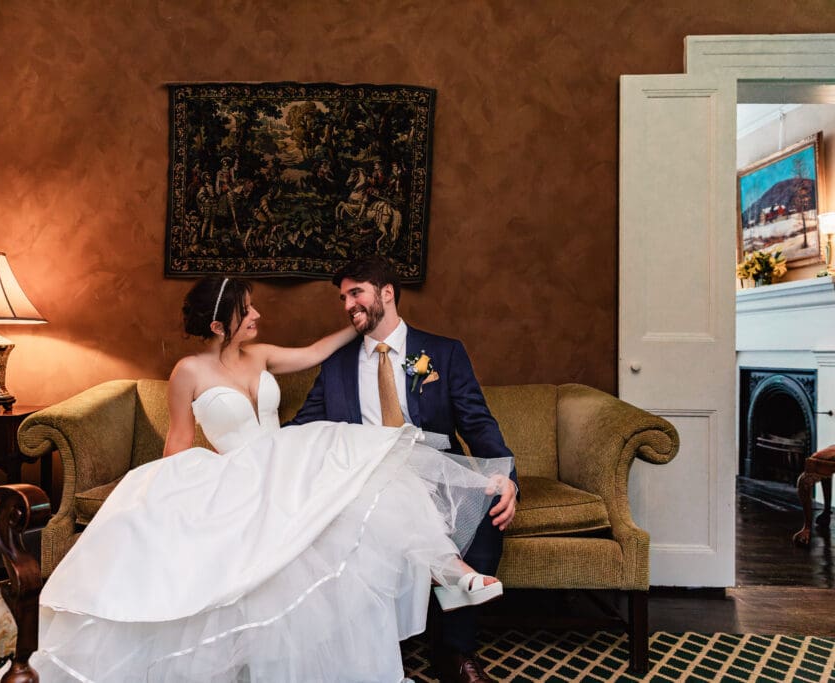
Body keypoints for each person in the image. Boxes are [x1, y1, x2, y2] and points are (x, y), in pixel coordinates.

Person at [29, 275, 514, 683]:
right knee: (362, 463)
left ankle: (452, 572)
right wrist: (165, 493)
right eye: (247, 309)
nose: (257, 313)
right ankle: (449, 574)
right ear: (220, 324)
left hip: (283, 456)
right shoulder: (188, 371)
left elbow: (315, 350)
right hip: (235, 471)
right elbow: (177, 440)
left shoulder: (259, 355)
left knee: (377, 461)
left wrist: (362, 324)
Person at [289, 255, 519, 683]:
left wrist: (506, 477)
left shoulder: (444, 353)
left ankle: (456, 654)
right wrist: (261, 456)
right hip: (367, 480)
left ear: (387, 292)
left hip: (433, 473)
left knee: (486, 503)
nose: (347, 304)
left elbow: (477, 423)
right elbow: (305, 426)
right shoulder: (338, 364)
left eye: (356, 292)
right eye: (342, 296)